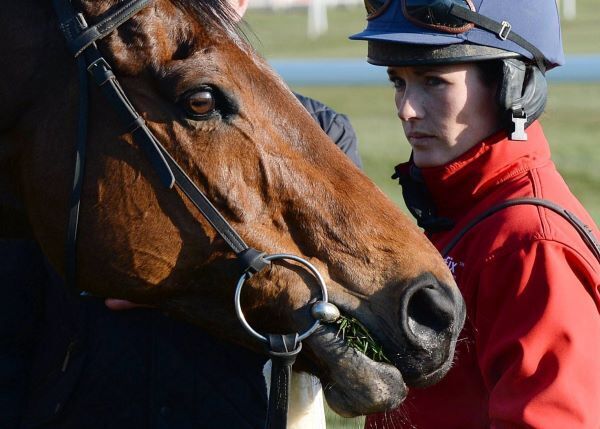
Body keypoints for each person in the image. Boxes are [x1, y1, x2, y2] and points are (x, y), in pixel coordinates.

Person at [0, 2, 361, 428]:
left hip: (233, 407)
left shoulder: (322, 131)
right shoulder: (74, 122)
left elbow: (333, 304)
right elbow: (14, 311)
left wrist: (165, 269)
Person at [349, 0, 600, 427]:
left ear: (514, 88)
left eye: (433, 81)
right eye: (398, 82)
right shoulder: (461, 212)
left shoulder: (528, 245)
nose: (407, 109)